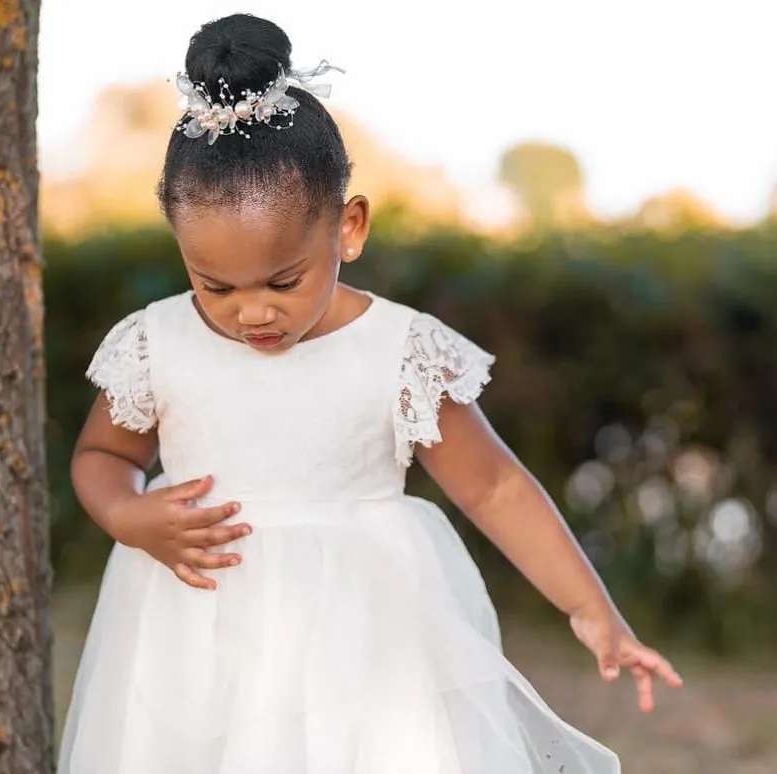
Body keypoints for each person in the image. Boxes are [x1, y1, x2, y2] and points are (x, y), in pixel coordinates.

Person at [58, 13, 682, 773]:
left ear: (347, 229)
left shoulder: (399, 351)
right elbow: (102, 453)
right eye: (213, 283)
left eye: (284, 281)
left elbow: (494, 489)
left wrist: (594, 612)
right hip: (195, 646)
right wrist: (127, 513)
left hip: (364, 650)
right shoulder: (157, 341)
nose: (252, 311)